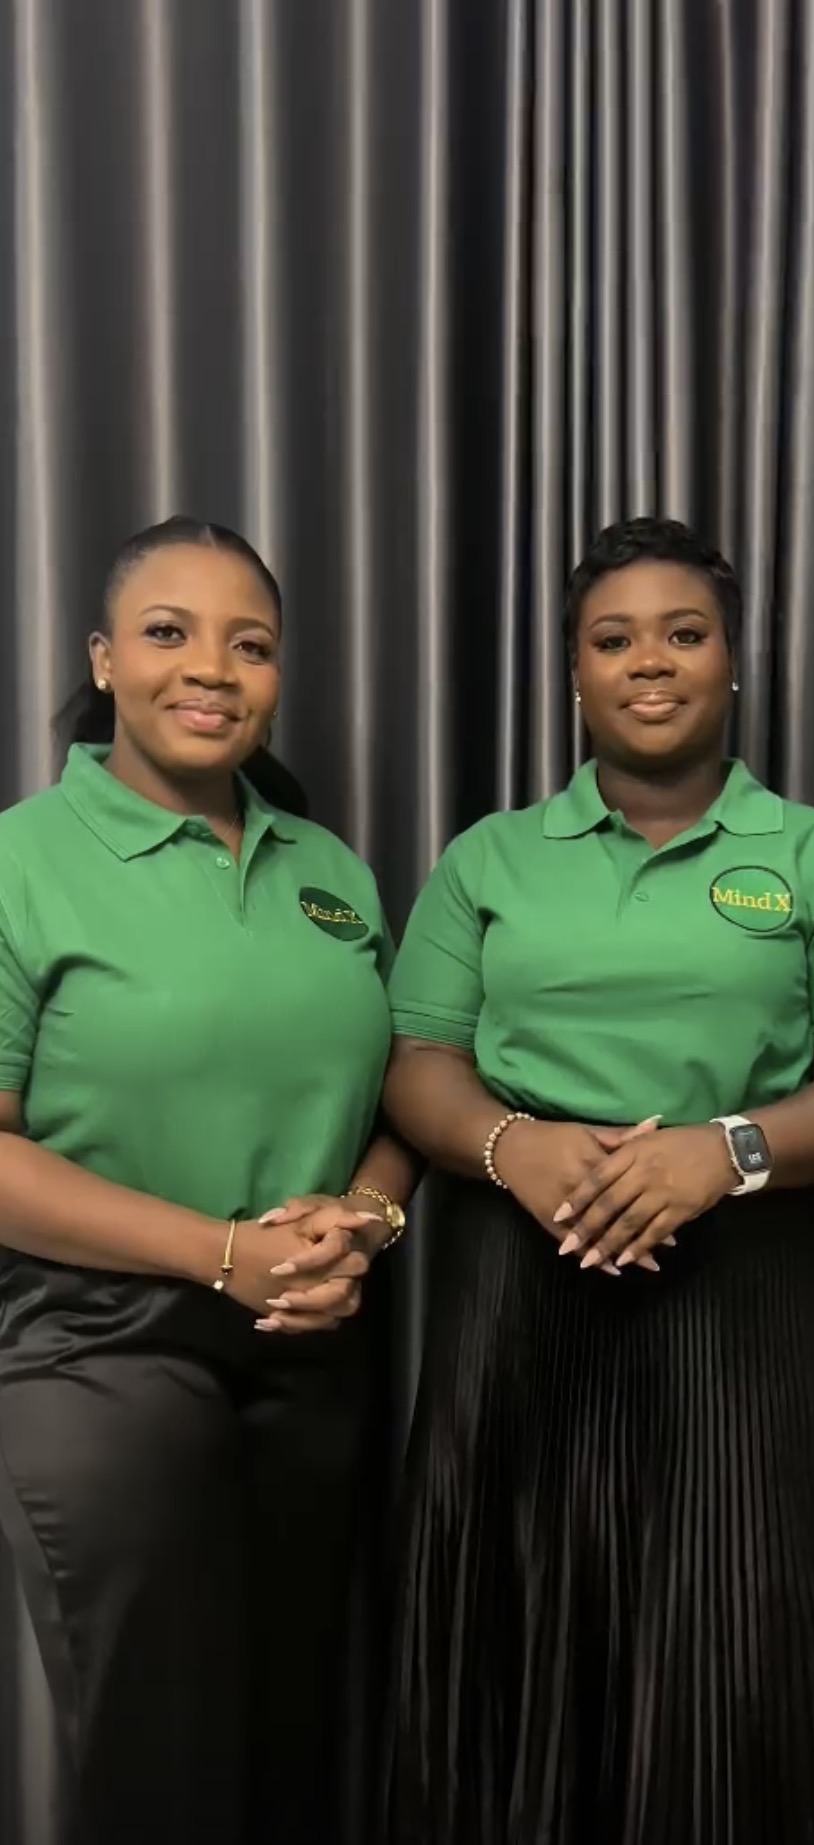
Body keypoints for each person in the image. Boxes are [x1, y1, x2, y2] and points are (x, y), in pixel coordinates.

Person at [379, 514, 814, 1845]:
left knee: (737, 1631)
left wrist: (722, 1151)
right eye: (612, 639)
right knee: (512, 1623)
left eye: (684, 634)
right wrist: (515, 1148)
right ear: (572, 672)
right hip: (518, 1273)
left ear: (733, 661)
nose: (649, 663)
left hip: (747, 1277)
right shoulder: (490, 857)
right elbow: (416, 1065)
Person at [0, 516, 417, 1845]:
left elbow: (399, 1105)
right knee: (163, 1749)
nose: (212, 671)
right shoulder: (20, 862)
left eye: (251, 645)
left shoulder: (330, 872)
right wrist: (219, 1253)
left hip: (311, 1337)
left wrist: (364, 1220)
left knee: (296, 1737)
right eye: (169, 633)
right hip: (97, 1340)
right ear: (102, 658)